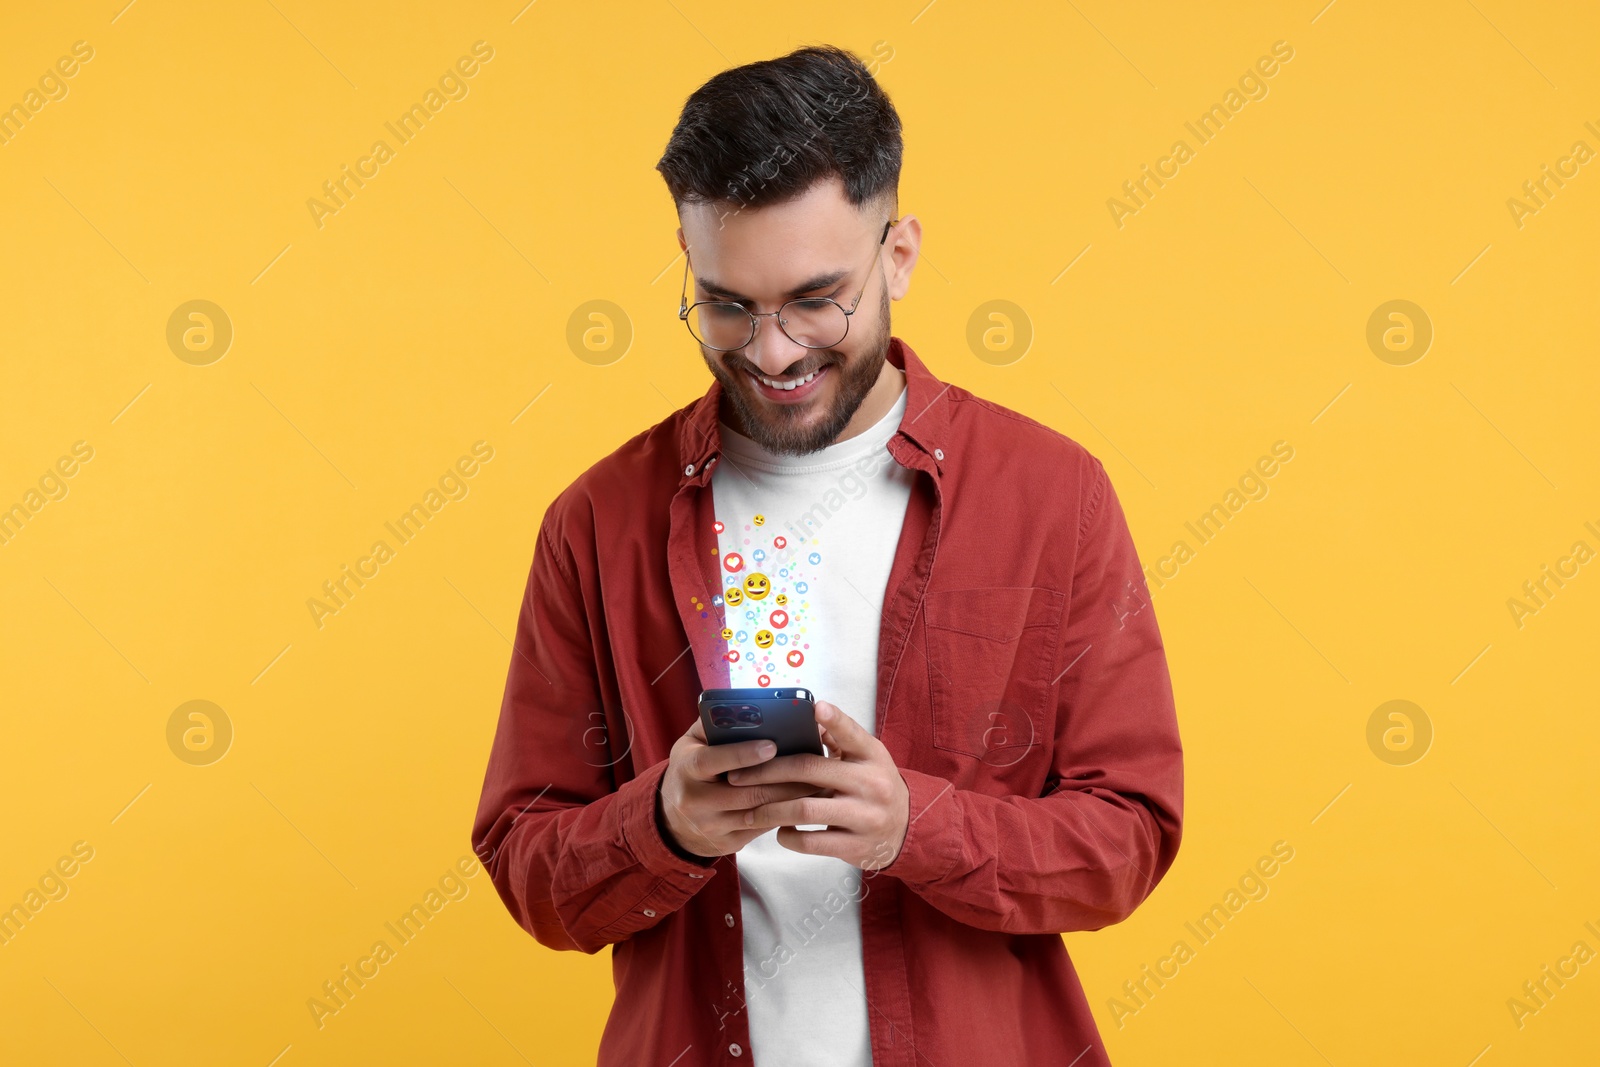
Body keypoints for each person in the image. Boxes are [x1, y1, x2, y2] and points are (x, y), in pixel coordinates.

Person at [470, 43, 1183, 1067]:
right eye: (725, 303)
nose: (771, 352)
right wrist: (661, 823)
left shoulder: (1052, 495)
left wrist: (916, 827)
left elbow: (1129, 836)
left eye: (816, 299)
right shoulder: (596, 521)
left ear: (898, 253)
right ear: (685, 253)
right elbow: (528, 862)